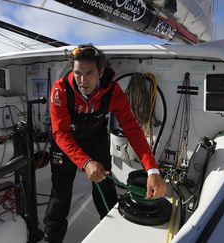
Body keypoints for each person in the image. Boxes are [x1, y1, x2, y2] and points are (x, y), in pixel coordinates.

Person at [43, 44, 167, 242]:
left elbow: (132, 129)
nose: (83, 81)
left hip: (96, 139)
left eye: (89, 73)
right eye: (78, 73)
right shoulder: (61, 90)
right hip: (66, 142)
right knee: (60, 194)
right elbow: (60, 132)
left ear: (100, 72)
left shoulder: (113, 91)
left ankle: (111, 232)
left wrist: (152, 170)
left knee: (105, 189)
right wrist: (85, 162)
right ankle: (52, 238)